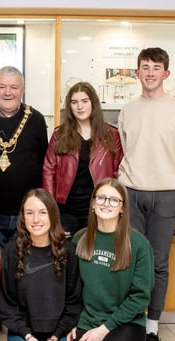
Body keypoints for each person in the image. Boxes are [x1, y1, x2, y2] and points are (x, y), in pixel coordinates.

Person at [117, 47, 175, 341]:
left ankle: (152, 328)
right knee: (130, 260)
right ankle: (129, 323)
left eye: (156, 67)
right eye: (145, 67)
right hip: (132, 192)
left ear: (166, 73)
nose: (150, 72)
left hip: (166, 194)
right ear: (137, 73)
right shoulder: (128, 111)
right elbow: (126, 151)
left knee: (159, 264)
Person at [69, 178, 154, 341]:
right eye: (102, 198)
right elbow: (74, 291)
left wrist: (104, 330)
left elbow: (140, 297)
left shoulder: (138, 244)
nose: (107, 203)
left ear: (122, 207)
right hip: (90, 321)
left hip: (125, 323)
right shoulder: (80, 239)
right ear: (93, 204)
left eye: (114, 199)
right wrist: (75, 324)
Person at [0, 188, 81, 341]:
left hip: (57, 333)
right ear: (22, 217)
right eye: (29, 213)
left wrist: (54, 339)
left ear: (52, 215)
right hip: (22, 332)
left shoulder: (68, 252)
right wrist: (28, 337)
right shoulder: (11, 251)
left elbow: (73, 303)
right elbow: (6, 304)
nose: (36, 219)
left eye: (42, 212)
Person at [0, 66, 49, 248]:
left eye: (14, 87)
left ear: (22, 90)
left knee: (23, 266)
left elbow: (43, 164)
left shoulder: (36, 119)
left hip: (26, 213)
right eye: (2, 86)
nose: (8, 92)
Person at [43, 81, 123, 237]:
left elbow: (117, 172)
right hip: (66, 210)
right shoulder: (59, 134)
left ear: (93, 103)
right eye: (74, 102)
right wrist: (51, 210)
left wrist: (114, 206)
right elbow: (48, 170)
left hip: (99, 208)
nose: (80, 107)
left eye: (84, 101)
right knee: (66, 256)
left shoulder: (111, 135)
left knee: (95, 255)